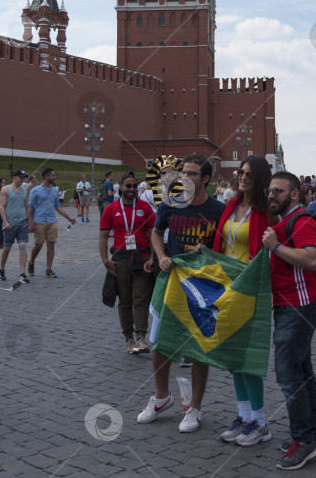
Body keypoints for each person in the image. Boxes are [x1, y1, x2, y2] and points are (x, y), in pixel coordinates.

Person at [136, 153, 225, 433]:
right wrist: (160, 254)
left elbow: (225, 246)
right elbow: (156, 232)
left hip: (203, 284)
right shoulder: (170, 204)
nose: (184, 177)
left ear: (206, 179)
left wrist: (207, 253)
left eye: (191, 174)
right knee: (160, 341)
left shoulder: (217, 210)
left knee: (200, 344)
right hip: (172, 278)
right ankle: (162, 396)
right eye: (182, 173)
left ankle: (195, 407)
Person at [261, 171, 316, 471]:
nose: (272, 195)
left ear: (295, 194)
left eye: (278, 191)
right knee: (302, 371)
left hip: (298, 307)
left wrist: (276, 246)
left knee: (289, 375)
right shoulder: (285, 221)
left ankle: (303, 442)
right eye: (270, 191)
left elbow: (312, 260)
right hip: (292, 305)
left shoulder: (302, 221)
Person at [212, 155, 276, 447]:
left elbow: (272, 250)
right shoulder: (231, 206)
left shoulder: (265, 213)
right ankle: (243, 416)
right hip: (226, 289)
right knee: (234, 356)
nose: (243, 176)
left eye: (249, 173)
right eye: (241, 171)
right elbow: (222, 243)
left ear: (259, 177)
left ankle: (260, 423)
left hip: (250, 290)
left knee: (248, 358)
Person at [99, 171, 156, 353]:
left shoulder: (144, 208)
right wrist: (105, 260)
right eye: (128, 186)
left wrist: (154, 257)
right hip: (121, 258)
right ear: (120, 187)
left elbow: (152, 233)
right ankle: (129, 339)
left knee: (141, 297)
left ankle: (141, 338)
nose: (132, 189)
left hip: (143, 257)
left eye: (134, 186)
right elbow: (103, 236)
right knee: (124, 299)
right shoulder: (111, 209)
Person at [28, 168, 76, 278]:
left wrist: (69, 217)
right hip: (39, 220)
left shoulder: (54, 190)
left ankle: (48, 269)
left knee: (51, 245)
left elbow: (57, 206)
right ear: (46, 177)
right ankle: (31, 262)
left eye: (54, 175)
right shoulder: (36, 190)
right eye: (52, 175)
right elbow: (30, 208)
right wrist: (30, 223)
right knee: (38, 245)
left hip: (52, 221)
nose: (54, 177)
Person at [0, 170, 32, 284]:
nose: (22, 179)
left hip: (22, 222)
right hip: (10, 223)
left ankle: (22, 273)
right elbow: (2, 207)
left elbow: (27, 207)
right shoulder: (5, 189)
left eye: (24, 178)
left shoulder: (24, 191)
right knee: (7, 248)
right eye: (20, 177)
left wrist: (29, 222)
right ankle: (1, 269)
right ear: (14, 177)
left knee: (23, 246)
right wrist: (5, 222)